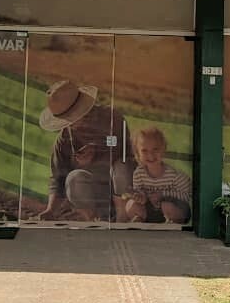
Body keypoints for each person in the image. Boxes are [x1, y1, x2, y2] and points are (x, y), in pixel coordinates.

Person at [36, 80, 134, 221]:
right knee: (73, 178)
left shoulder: (112, 118)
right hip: (95, 193)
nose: (70, 123)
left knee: (121, 167)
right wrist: (50, 210)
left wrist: (96, 153)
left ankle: (122, 218)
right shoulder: (64, 140)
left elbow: (122, 150)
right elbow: (58, 178)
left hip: (122, 189)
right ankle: (95, 219)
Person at [121, 126, 192, 225]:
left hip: (174, 211)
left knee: (166, 205)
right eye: (144, 151)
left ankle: (173, 223)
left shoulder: (174, 175)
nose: (150, 155)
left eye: (155, 149)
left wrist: (163, 195)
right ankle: (139, 220)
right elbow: (139, 191)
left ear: (163, 150)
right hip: (151, 212)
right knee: (130, 204)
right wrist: (140, 197)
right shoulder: (138, 173)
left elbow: (187, 195)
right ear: (137, 153)